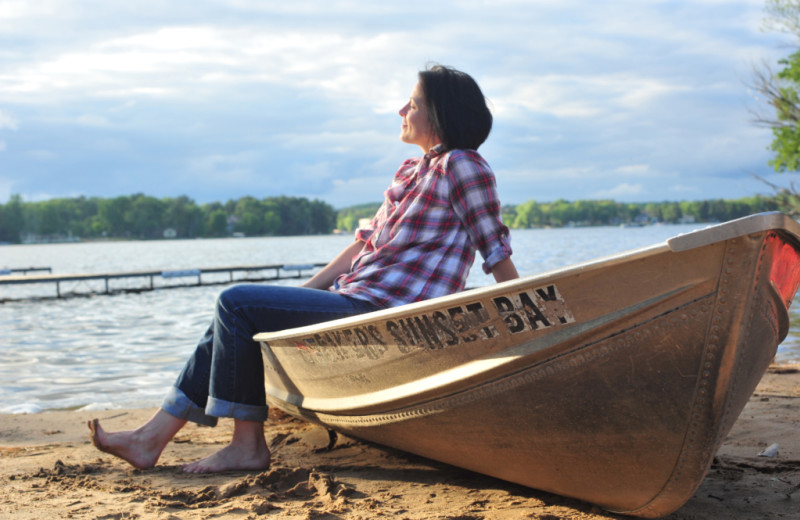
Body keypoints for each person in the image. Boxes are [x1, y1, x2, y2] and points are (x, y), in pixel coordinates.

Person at [88, 64, 519, 474]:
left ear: (440, 113)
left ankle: (247, 446)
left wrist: (525, 317)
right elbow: (360, 248)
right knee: (237, 314)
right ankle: (150, 439)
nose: (401, 111)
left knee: (235, 303)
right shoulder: (409, 170)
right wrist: (299, 296)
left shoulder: (462, 164)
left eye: (413, 103)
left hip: (388, 313)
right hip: (350, 299)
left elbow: (493, 246)